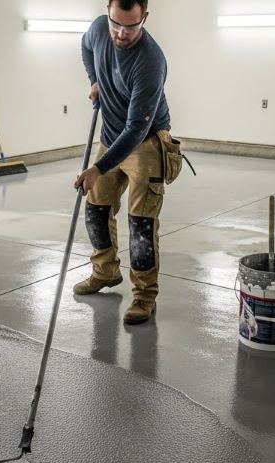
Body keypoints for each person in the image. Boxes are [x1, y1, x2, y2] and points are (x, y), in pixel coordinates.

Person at [73, 0, 173, 326]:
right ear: (108, 11)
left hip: (145, 141)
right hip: (111, 135)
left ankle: (145, 296)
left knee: (140, 225)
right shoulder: (99, 28)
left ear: (144, 17)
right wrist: (94, 80)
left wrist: (97, 167)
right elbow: (86, 47)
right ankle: (105, 272)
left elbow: (135, 129)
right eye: (116, 23)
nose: (120, 33)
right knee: (96, 207)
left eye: (130, 26)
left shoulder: (151, 61)